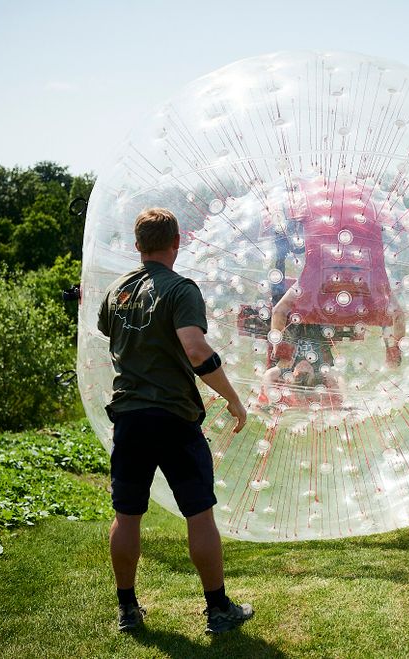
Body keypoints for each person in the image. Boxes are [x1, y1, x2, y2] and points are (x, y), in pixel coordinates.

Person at [97, 207, 254, 633]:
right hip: (173, 417)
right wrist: (235, 399)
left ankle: (127, 610)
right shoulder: (181, 289)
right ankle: (218, 610)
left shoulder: (116, 292)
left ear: (137, 246)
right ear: (177, 243)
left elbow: (116, 338)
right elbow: (196, 349)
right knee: (199, 514)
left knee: (126, 515)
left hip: (128, 417)